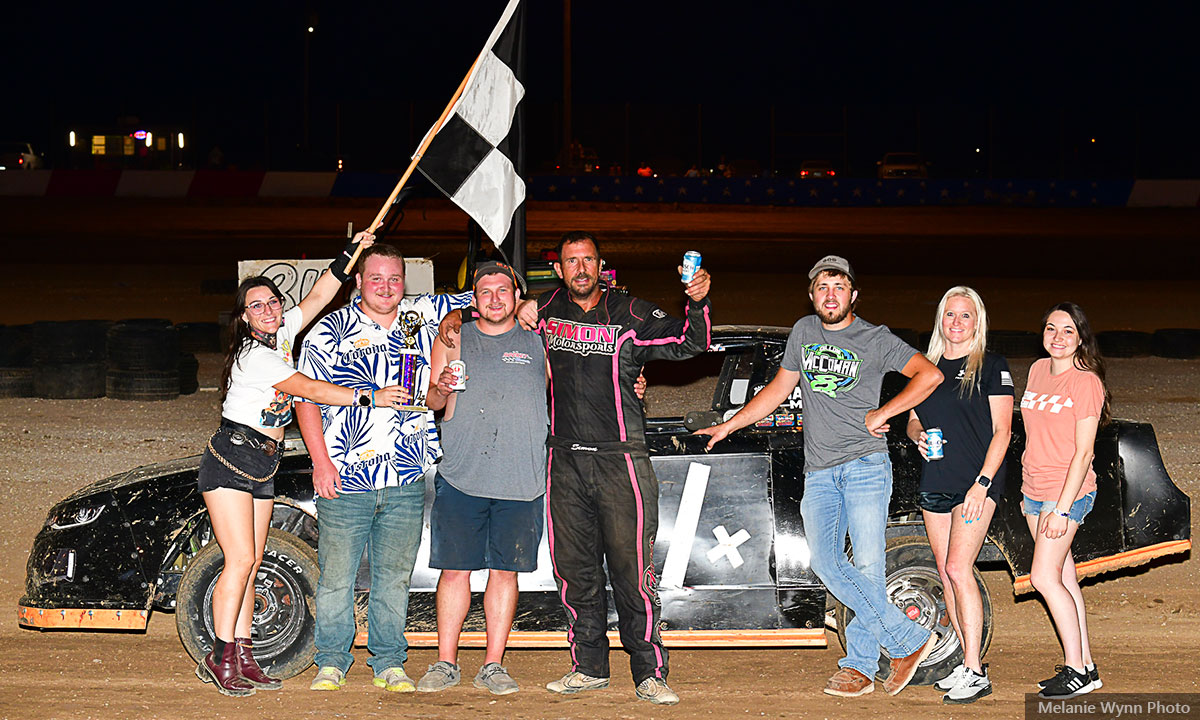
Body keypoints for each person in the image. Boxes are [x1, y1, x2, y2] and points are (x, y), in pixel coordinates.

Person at [443, 231, 708, 705]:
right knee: (575, 571)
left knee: (631, 571)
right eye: (571, 261)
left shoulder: (630, 311)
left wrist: (697, 301)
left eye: (588, 260)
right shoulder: (540, 312)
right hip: (563, 457)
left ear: (600, 266)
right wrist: (454, 316)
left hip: (621, 457)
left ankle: (649, 672)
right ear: (560, 269)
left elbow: (691, 344)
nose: (580, 268)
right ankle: (588, 667)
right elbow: (490, 307)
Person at [695, 255, 942, 698]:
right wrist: (730, 424)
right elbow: (777, 391)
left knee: (867, 566)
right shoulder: (803, 334)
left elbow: (930, 374)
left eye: (840, 287)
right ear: (812, 295)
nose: (831, 294)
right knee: (826, 562)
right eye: (823, 287)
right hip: (821, 473)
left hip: (866, 465)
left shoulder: (875, 337)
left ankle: (861, 667)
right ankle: (907, 638)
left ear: (853, 294)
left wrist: (884, 412)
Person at [195, 231, 408, 697]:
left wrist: (353, 250)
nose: (269, 310)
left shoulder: (283, 334)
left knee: (253, 565)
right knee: (241, 560)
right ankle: (220, 654)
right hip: (231, 459)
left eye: (273, 301)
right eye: (257, 305)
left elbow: (320, 292)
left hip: (264, 462)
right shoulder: (256, 357)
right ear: (243, 316)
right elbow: (311, 389)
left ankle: (244, 652)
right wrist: (370, 396)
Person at [296, 243, 472, 693]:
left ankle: (389, 662)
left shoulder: (420, 316)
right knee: (336, 577)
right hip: (344, 476)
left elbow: (488, 297)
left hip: (407, 477)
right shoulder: (328, 331)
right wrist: (319, 462)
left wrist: (455, 320)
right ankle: (332, 661)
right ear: (358, 281)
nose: (386, 287)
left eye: (394, 279)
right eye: (376, 278)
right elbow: (305, 400)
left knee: (393, 578)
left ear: (404, 283)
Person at [416, 261, 548, 696]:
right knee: (454, 572)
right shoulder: (453, 338)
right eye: (485, 291)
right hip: (462, 476)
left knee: (504, 573)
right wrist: (445, 387)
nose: (495, 298)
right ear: (473, 299)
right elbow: (433, 400)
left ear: (516, 296)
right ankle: (445, 661)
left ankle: (493, 664)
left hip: (522, 478)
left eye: (503, 290)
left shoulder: (539, 339)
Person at [905, 287, 1013, 704]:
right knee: (945, 569)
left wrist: (983, 483)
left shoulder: (991, 366)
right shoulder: (926, 368)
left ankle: (975, 669)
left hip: (976, 483)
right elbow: (913, 419)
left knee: (958, 567)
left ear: (977, 322)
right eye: (950, 314)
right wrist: (918, 437)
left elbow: (1003, 431)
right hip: (936, 478)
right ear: (940, 319)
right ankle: (962, 663)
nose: (956, 322)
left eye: (965, 316)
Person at [1020, 302, 1109, 699]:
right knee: (1064, 578)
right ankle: (1086, 666)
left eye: (1068, 330)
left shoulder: (1085, 382)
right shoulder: (1037, 370)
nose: (1058, 337)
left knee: (1043, 577)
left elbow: (1085, 452)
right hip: (1034, 489)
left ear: (1080, 338)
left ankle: (1075, 669)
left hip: (1066, 493)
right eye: (1051, 329)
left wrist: (1061, 508)